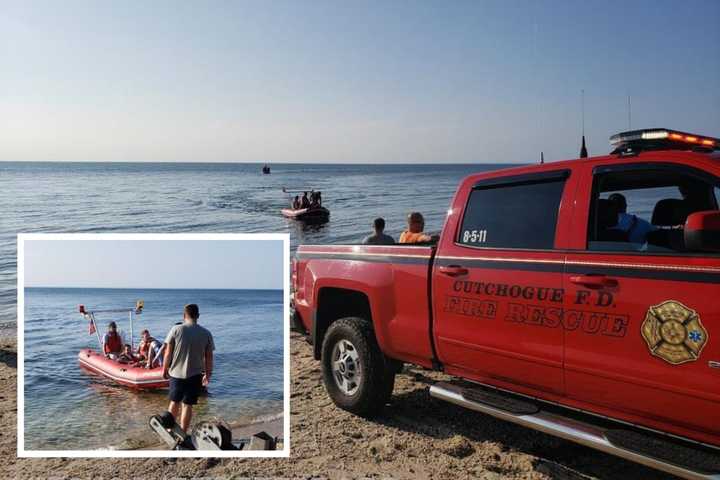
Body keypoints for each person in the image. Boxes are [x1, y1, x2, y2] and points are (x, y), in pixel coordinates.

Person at [163, 303, 215, 432]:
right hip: (195, 374)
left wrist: (164, 369)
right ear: (198, 316)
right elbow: (209, 357)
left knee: (174, 402)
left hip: (176, 374)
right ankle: (183, 432)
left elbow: (168, 353)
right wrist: (208, 374)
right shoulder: (206, 333)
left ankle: (170, 430)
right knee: (188, 405)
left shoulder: (176, 329)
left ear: (184, 315)